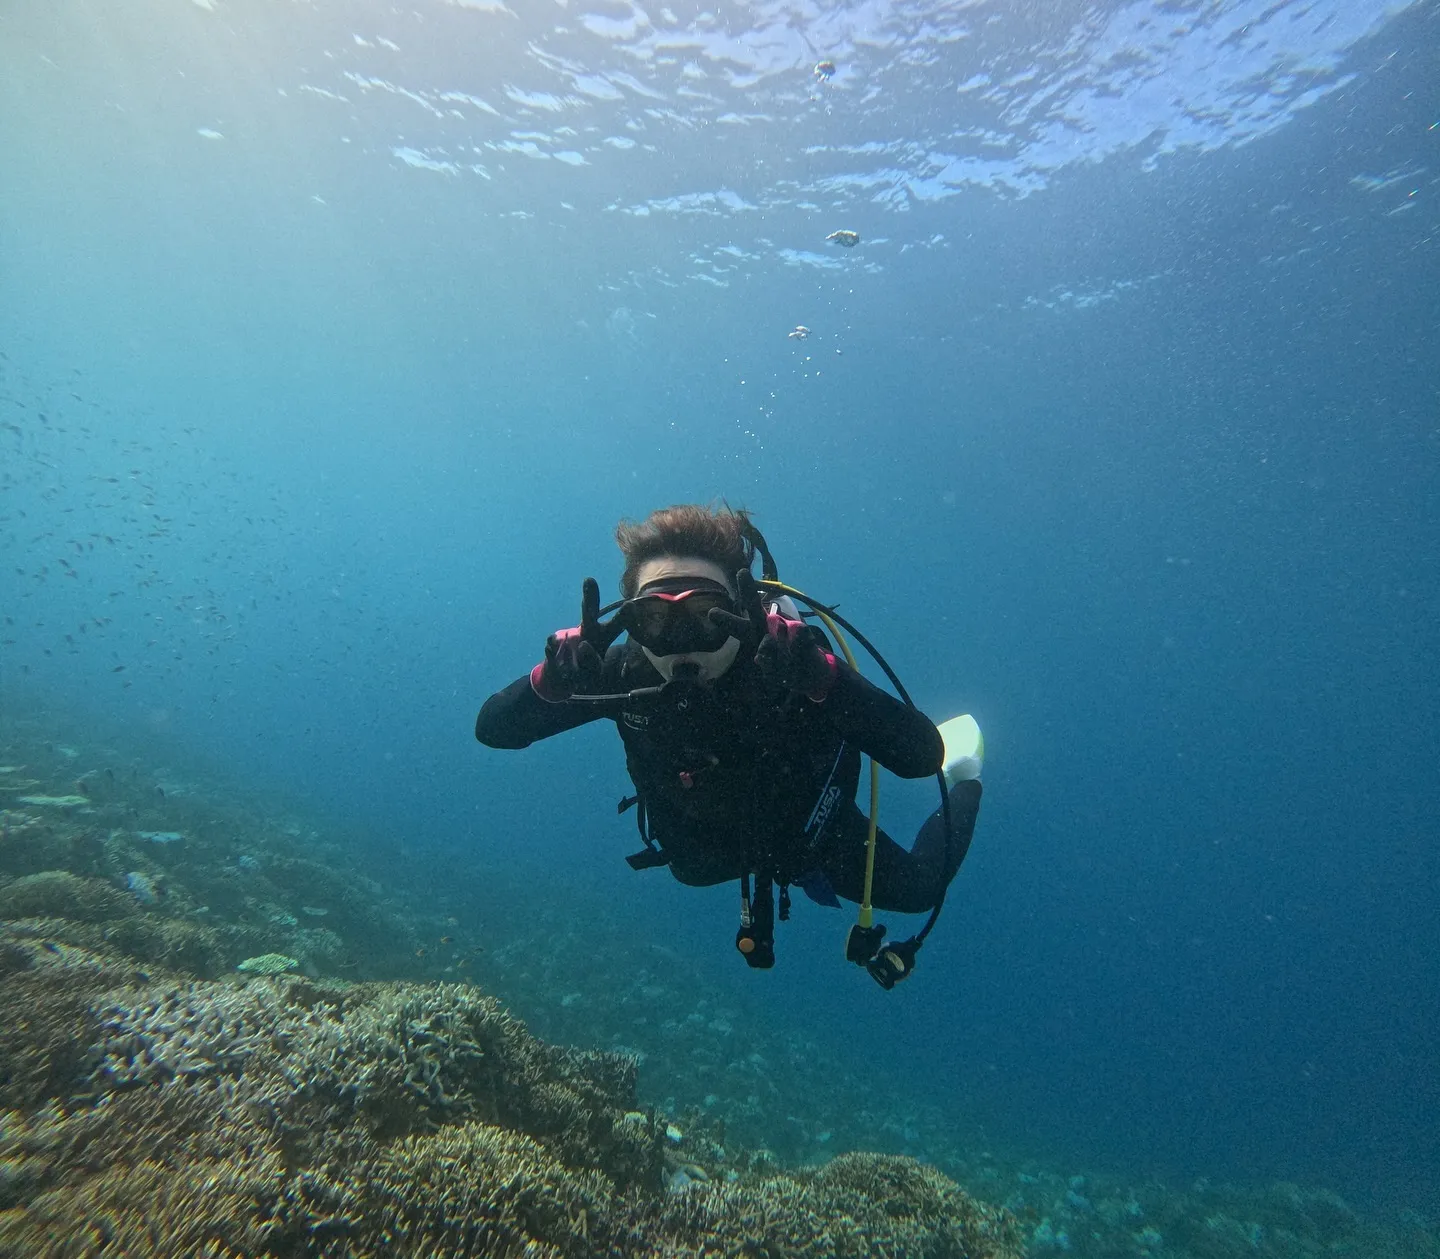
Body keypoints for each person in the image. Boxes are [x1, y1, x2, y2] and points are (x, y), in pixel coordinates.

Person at [475, 504, 982, 986]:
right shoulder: (613, 671)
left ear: (743, 609)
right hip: (699, 845)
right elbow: (495, 729)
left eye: (708, 614)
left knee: (919, 889)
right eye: (655, 619)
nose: (683, 641)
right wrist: (550, 684)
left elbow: (921, 757)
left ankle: (972, 778)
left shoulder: (790, 663)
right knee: (692, 873)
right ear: (628, 622)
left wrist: (824, 682)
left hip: (812, 833)